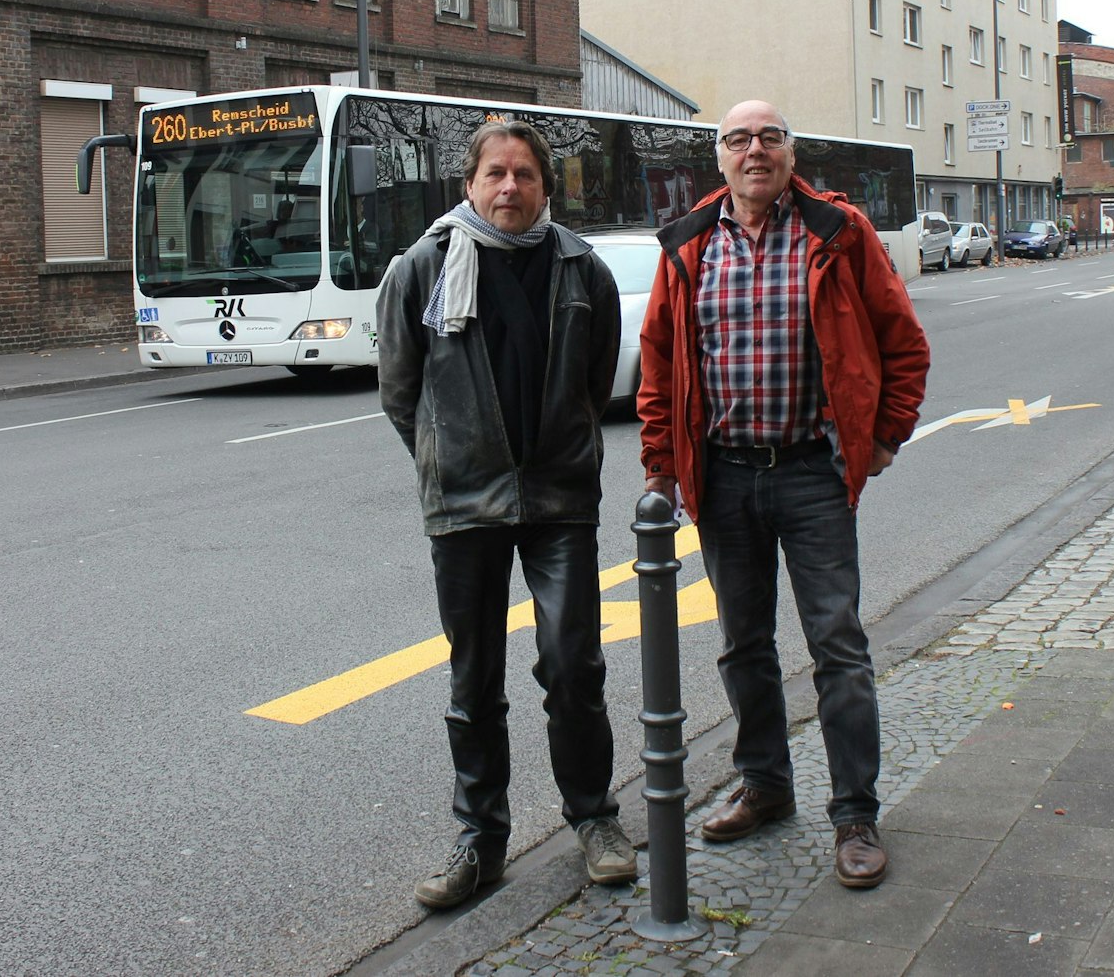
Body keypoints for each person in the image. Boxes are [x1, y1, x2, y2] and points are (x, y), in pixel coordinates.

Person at [637, 100, 930, 890]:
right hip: (725, 474)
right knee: (742, 643)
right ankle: (765, 784)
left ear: (791, 153)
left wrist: (883, 437)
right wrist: (661, 462)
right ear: (721, 158)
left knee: (837, 643)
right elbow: (660, 359)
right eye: (739, 139)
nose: (755, 150)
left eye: (770, 137)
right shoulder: (692, 241)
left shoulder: (838, 232)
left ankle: (855, 814)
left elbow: (903, 341)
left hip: (811, 471)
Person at [377, 120, 637, 910]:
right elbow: (401, 390)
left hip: (559, 500)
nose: (509, 187)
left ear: (545, 188)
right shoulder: (422, 268)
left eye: (525, 174)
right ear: (470, 184)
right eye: (495, 172)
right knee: (472, 677)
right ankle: (478, 840)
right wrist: (448, 456)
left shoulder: (581, 270)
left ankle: (595, 819)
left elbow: (595, 389)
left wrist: (559, 448)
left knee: (572, 666)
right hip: (465, 503)